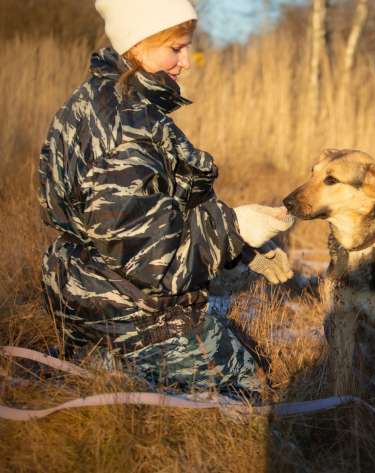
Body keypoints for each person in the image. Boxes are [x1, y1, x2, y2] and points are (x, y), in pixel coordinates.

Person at [38, 0, 294, 396]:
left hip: (94, 289)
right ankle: (109, 360)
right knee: (253, 388)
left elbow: (165, 207)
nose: (187, 61)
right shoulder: (124, 127)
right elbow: (149, 256)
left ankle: (101, 356)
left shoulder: (117, 102)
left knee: (250, 366)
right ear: (137, 45)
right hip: (119, 306)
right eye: (175, 48)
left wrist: (240, 247)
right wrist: (234, 226)